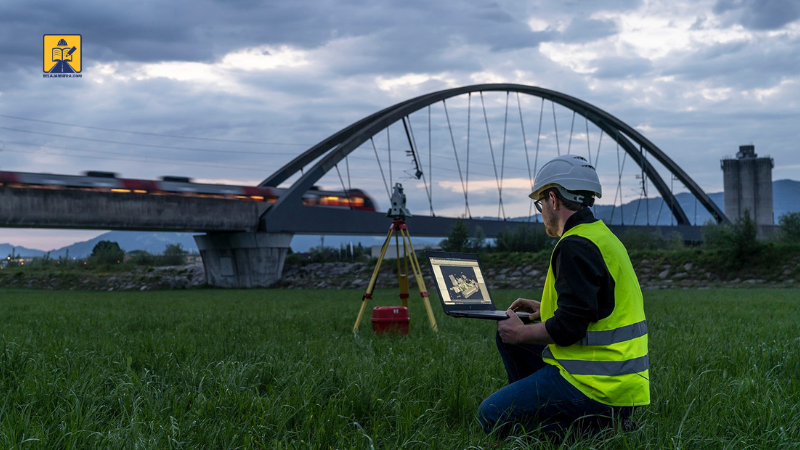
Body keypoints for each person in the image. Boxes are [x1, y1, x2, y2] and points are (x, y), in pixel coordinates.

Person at [478, 154, 650, 435]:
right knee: (506, 339)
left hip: (597, 386)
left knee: (492, 414)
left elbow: (571, 326)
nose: (542, 210)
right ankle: (595, 420)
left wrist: (521, 333)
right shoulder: (601, 236)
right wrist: (544, 308)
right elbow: (594, 305)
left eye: (540, 203)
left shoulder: (574, 246)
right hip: (621, 384)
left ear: (553, 199)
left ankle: (596, 430)